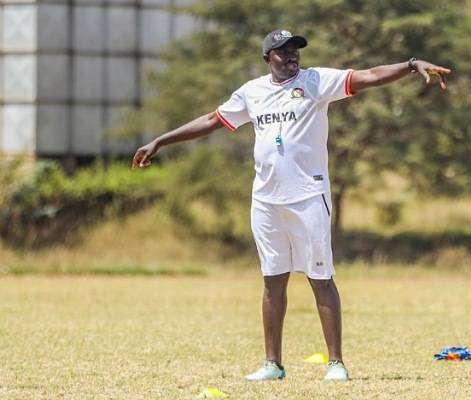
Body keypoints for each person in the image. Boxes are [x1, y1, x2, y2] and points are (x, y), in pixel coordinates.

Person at [131, 29, 451, 381]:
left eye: (295, 49)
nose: (291, 55)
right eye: (282, 51)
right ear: (267, 58)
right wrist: (160, 141)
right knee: (272, 281)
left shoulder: (316, 82)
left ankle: (336, 364)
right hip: (266, 201)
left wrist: (410, 65)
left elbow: (369, 76)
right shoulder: (252, 92)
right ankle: (273, 365)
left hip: (308, 197)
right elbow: (211, 121)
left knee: (320, 278)